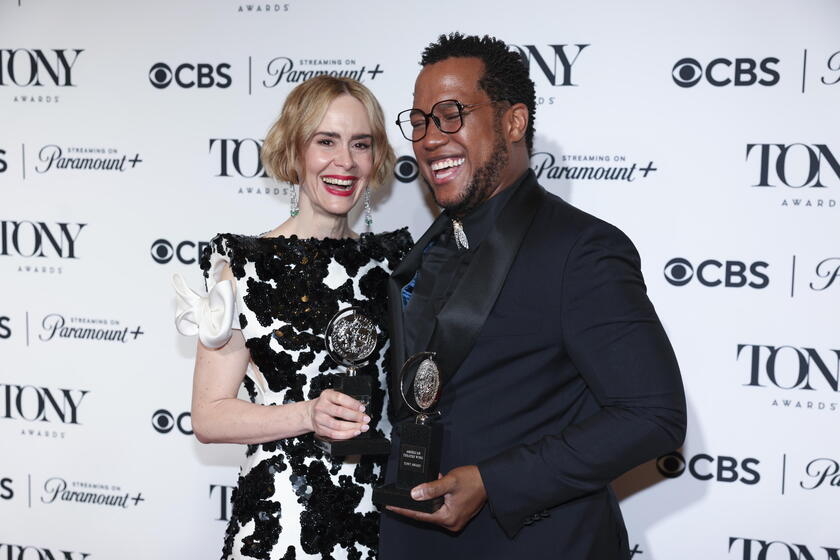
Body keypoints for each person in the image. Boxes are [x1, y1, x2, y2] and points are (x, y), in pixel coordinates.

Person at [379, 33, 686, 559]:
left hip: (533, 542)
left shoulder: (582, 250)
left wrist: (495, 481)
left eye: (452, 114)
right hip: (412, 539)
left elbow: (652, 415)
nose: (431, 138)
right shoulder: (420, 252)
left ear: (513, 122)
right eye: (421, 120)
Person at [172, 75, 412, 560]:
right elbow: (209, 415)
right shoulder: (243, 264)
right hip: (282, 517)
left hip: (384, 519)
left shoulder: (396, 262)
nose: (344, 161)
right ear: (296, 150)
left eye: (360, 144)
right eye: (326, 141)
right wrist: (307, 414)